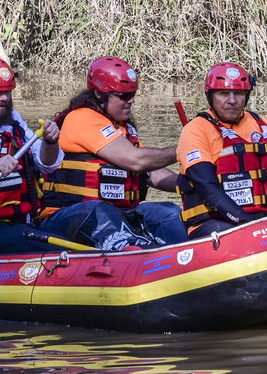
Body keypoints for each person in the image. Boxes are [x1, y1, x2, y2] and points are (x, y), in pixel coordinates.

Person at [0, 55, 138, 256]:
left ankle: (126, 251)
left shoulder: (13, 123)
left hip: (18, 225)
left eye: (7, 91)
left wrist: (50, 142)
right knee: (48, 246)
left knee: (90, 213)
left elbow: (48, 165)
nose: (3, 99)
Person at [40, 56, 189, 246]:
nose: (131, 101)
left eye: (133, 94)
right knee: (100, 211)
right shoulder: (81, 119)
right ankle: (134, 254)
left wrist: (190, 182)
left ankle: (185, 253)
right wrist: (188, 149)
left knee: (168, 212)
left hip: (118, 213)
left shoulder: (122, 128)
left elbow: (150, 172)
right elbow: (137, 160)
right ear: (100, 94)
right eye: (124, 96)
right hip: (70, 215)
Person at [176, 62, 267, 236]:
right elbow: (208, 189)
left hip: (265, 219)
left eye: (238, 93)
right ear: (210, 96)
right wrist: (247, 224)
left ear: (246, 95)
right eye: (223, 94)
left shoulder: (262, 125)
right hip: (216, 223)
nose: (232, 101)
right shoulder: (195, 130)